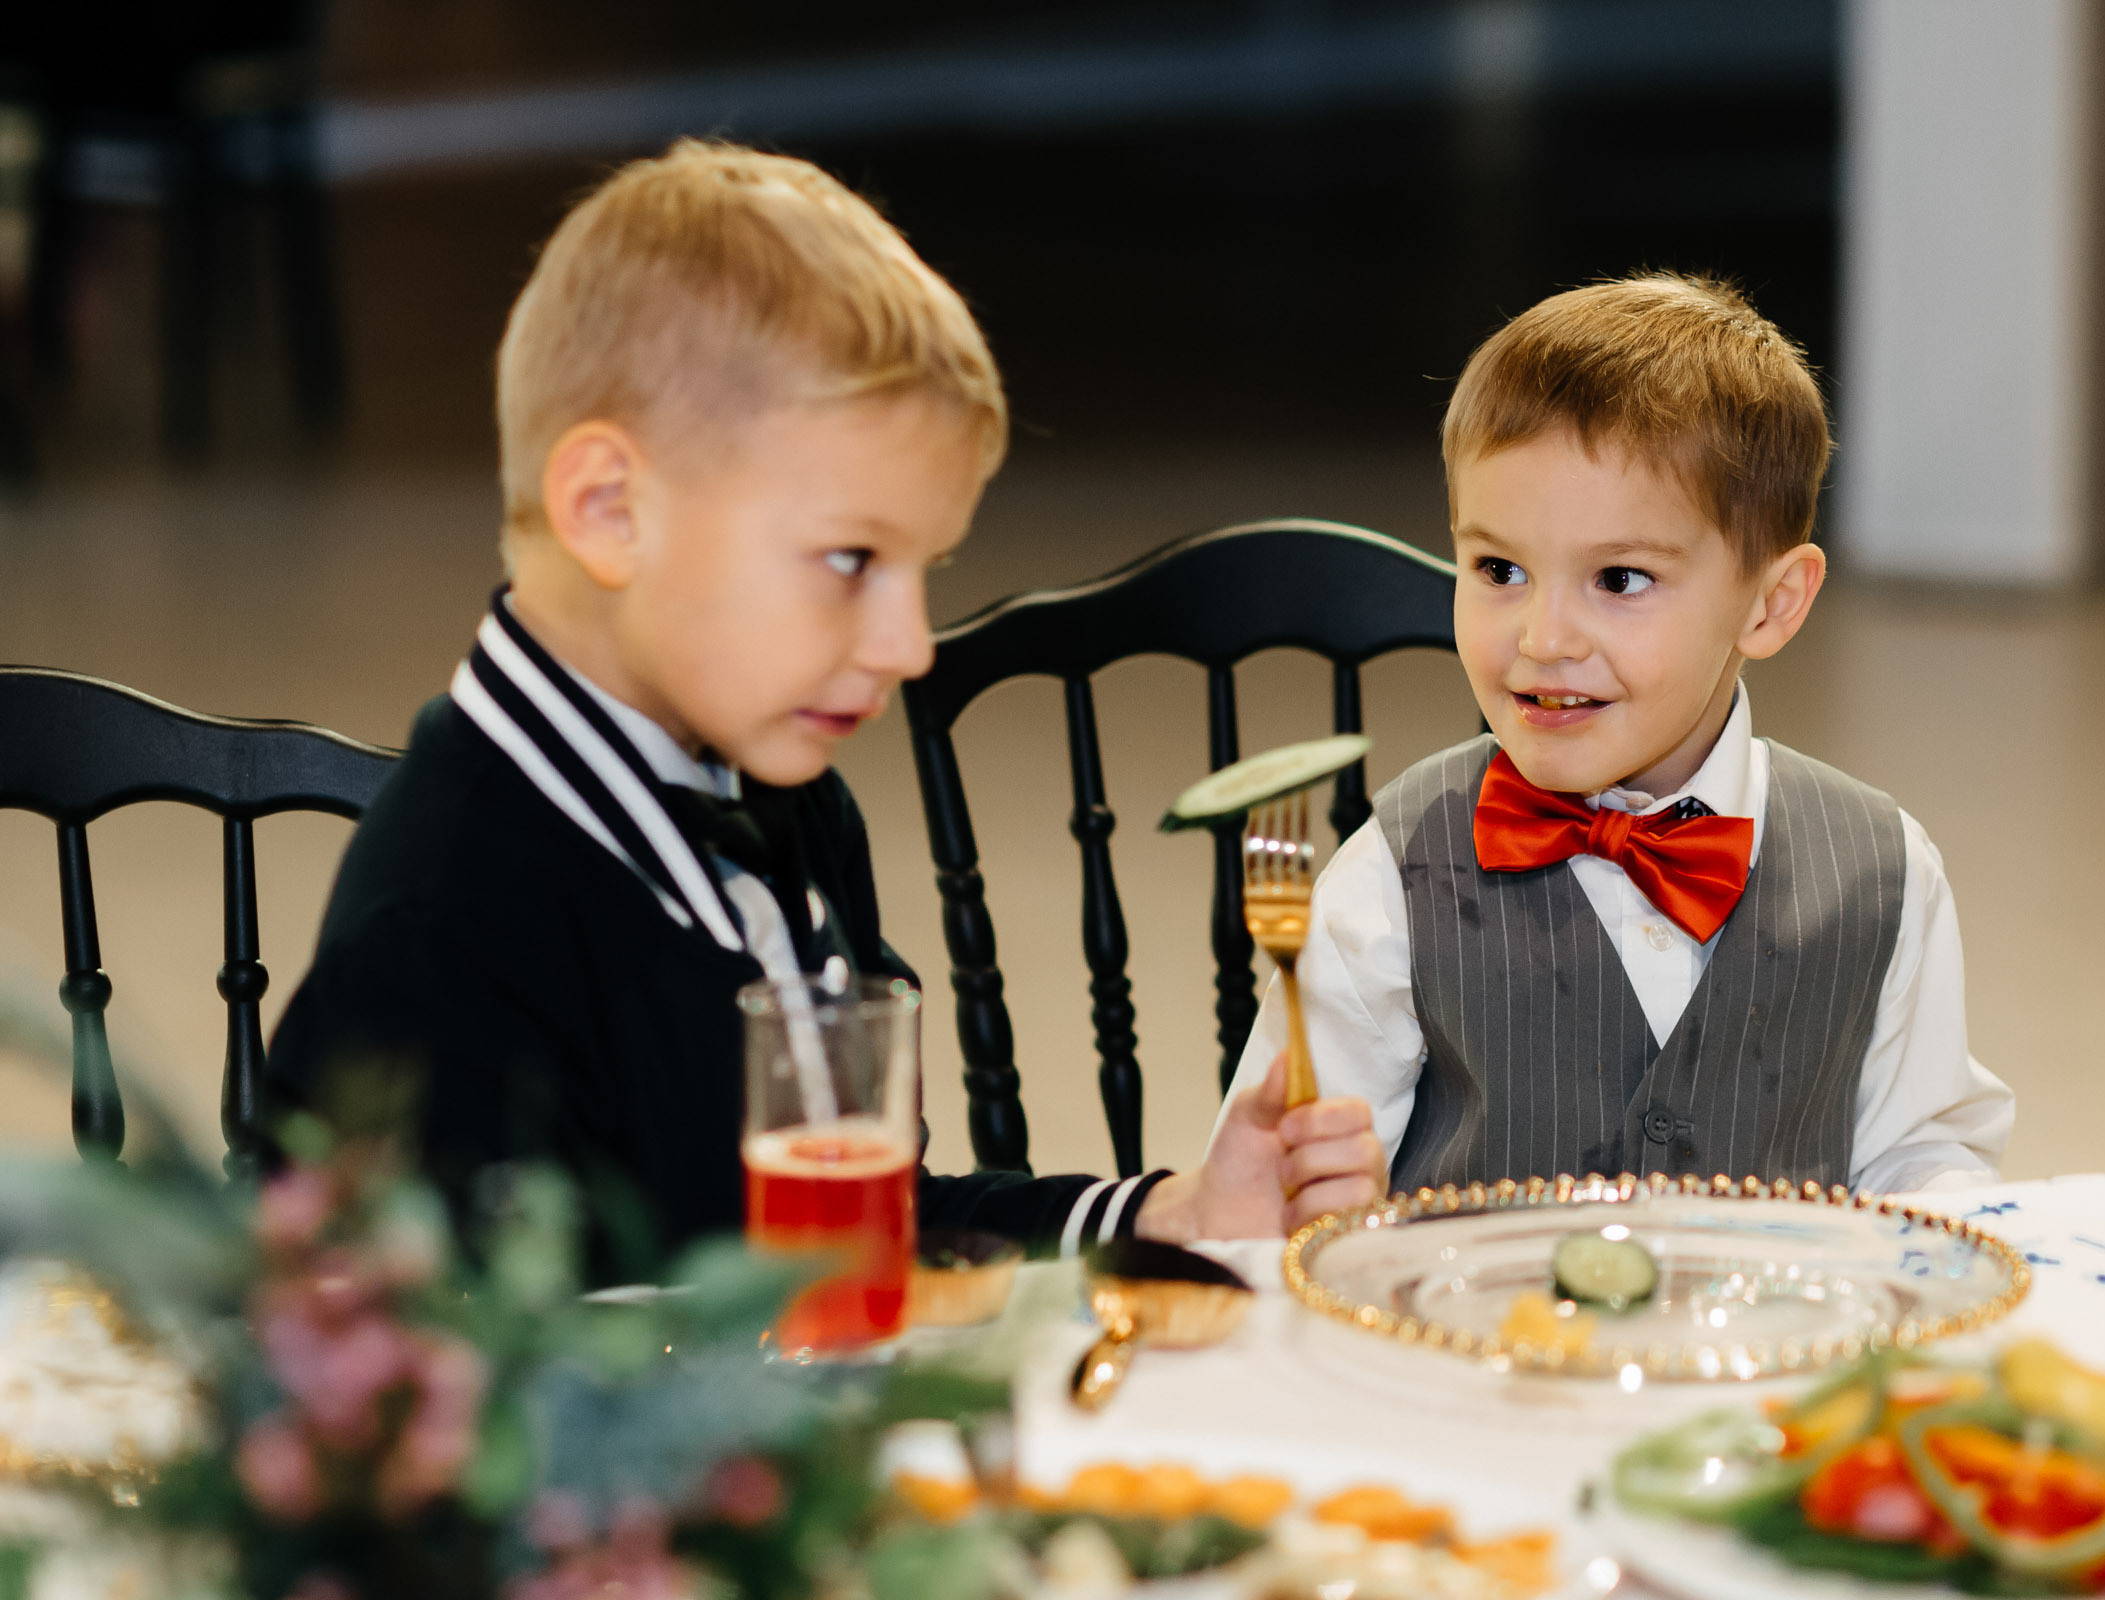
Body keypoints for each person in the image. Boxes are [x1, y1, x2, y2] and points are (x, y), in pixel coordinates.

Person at [264, 141, 1386, 1281]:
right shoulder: (446, 933)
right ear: (609, 509)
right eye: (851, 560)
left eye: (923, 569)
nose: (906, 646)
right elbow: (490, 1420)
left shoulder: (782, 803)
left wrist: (1168, 1214)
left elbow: (863, 1235)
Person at [1214, 274, 2012, 1197]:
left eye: (1620, 580)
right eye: (1498, 568)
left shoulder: (1884, 871)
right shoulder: (1392, 877)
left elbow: (1928, 1162)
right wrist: (1310, 1206)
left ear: (1772, 603)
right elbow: (1262, 1195)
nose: (1543, 640)